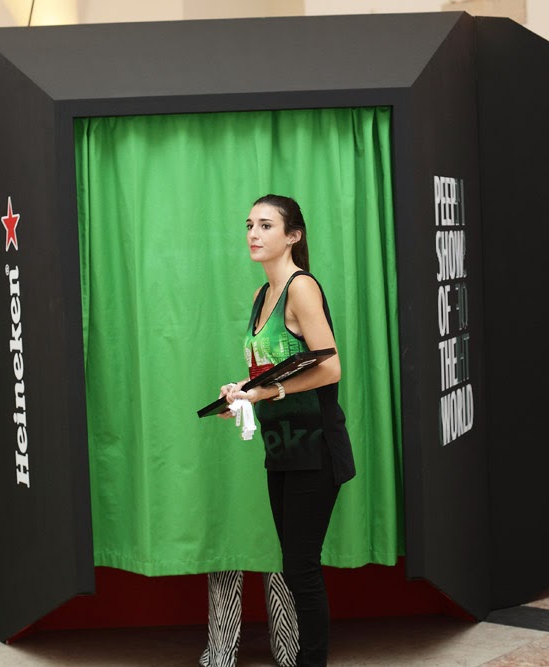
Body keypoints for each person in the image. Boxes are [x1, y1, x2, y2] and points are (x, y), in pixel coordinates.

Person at [218, 195, 355, 666]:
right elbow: (271, 369)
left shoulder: (302, 287)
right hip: (281, 449)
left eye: (266, 225)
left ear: (293, 236)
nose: (253, 234)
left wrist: (264, 392)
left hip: (315, 449)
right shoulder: (263, 296)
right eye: (249, 225)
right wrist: (240, 391)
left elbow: (330, 368)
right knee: (295, 568)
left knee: (301, 569)